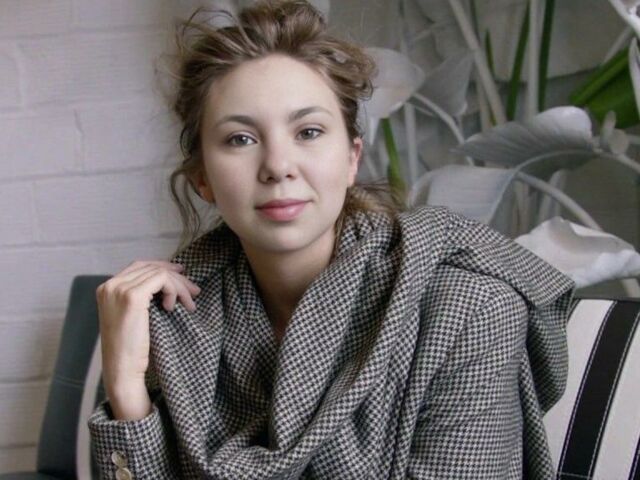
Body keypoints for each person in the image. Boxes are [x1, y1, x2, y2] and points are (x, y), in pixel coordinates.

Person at [87, 1, 576, 478]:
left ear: (351, 159)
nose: (278, 166)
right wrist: (126, 390)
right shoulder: (178, 319)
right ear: (203, 179)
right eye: (240, 139)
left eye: (308, 131)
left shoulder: (469, 309)